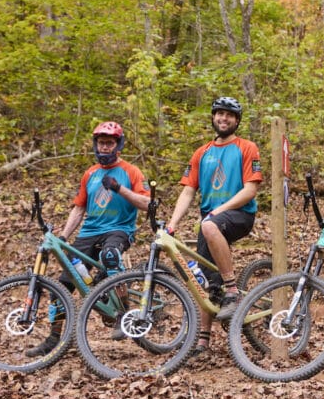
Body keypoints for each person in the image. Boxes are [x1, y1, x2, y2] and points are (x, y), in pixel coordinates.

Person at [26, 121, 150, 357]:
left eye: (109, 143)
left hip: (119, 230)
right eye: (101, 143)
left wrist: (119, 189)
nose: (104, 147)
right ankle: (55, 337)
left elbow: (146, 204)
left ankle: (124, 314)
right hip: (88, 233)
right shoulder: (90, 174)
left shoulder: (131, 171)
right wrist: (63, 237)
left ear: (118, 145)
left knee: (110, 256)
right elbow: (78, 209)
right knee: (62, 285)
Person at [166, 96, 262, 356]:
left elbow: (251, 189)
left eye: (229, 115)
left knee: (208, 225)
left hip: (239, 214)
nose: (223, 118)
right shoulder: (202, 152)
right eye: (219, 114)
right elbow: (187, 192)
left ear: (237, 121)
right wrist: (172, 224)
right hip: (210, 221)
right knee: (204, 282)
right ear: (213, 117)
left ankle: (232, 291)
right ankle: (203, 342)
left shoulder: (246, 147)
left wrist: (219, 210)